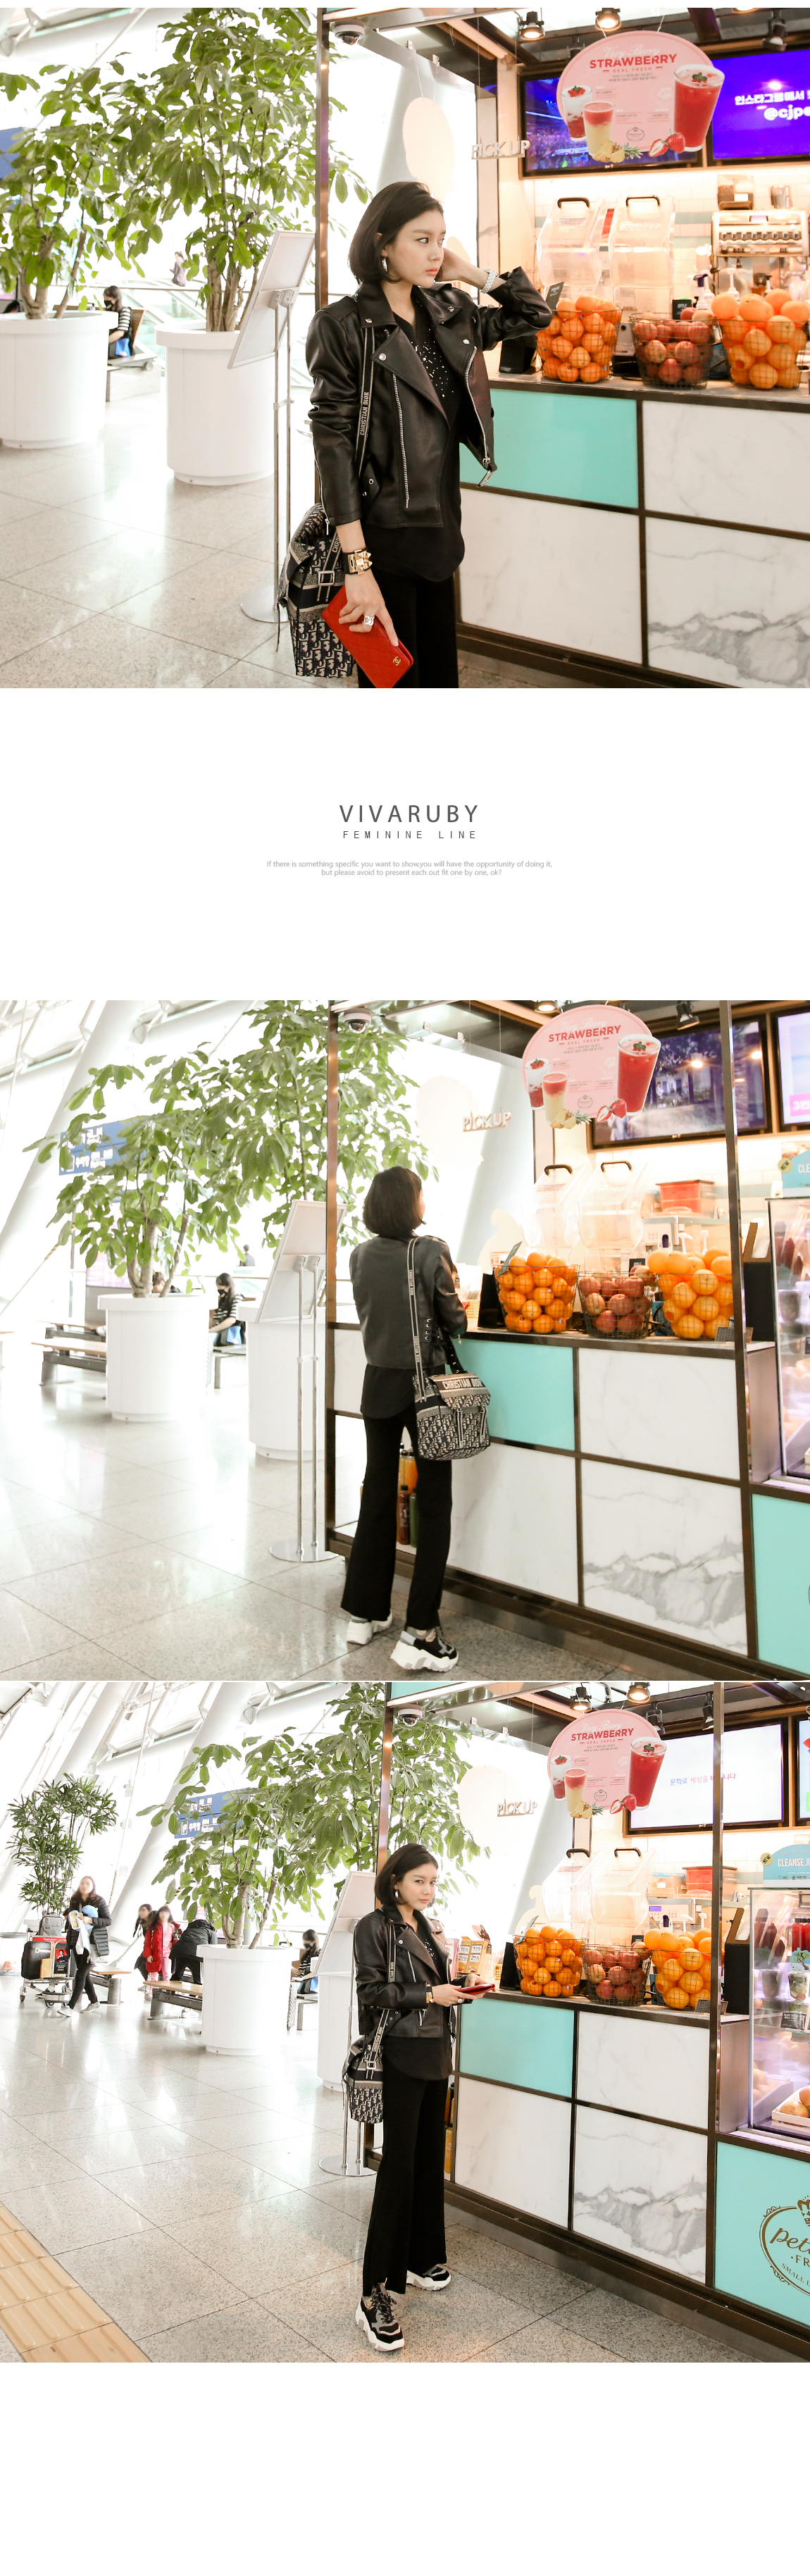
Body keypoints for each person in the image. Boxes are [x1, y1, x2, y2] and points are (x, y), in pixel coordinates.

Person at [306, 179, 547, 689]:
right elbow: (334, 450)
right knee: (395, 681)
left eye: (441, 239)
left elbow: (534, 315)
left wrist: (473, 274)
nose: (437, 252)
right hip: (383, 537)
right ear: (383, 243)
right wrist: (358, 565)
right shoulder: (342, 325)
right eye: (422, 240)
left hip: (441, 528)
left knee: (439, 677)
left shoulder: (450, 311)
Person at [340, 1164, 467, 1672]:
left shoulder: (358, 1254)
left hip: (378, 1383)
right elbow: (455, 1319)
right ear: (408, 1204)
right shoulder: (430, 1250)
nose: (423, 1202)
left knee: (376, 1493)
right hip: (426, 1387)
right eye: (419, 1194)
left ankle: (364, 1613)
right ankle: (421, 1632)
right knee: (434, 1503)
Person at [354, 1843, 475, 2354]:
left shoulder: (429, 1926)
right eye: (419, 1880)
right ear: (396, 1880)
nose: (427, 1889)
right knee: (398, 2169)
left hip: (435, 2053)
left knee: (428, 2162)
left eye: (432, 1881)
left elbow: (437, 1982)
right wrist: (429, 1995)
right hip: (401, 2055)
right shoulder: (374, 1926)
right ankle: (373, 2293)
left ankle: (421, 2258)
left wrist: (462, 1984)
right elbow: (371, 1991)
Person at [61, 1874, 110, 2014]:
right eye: (82, 1883)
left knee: (81, 1974)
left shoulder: (99, 1901)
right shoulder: (75, 1900)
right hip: (77, 1942)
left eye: (88, 1883)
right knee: (84, 1973)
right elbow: (70, 1920)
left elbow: (108, 1920)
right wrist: (68, 1935)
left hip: (92, 1944)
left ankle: (70, 2007)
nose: (84, 1886)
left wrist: (91, 1920)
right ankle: (94, 2002)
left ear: (93, 1886)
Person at [171, 1905, 216, 1986]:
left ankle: (170, 1991)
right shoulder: (210, 1931)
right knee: (198, 1980)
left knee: (177, 1976)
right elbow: (214, 1947)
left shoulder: (189, 1929)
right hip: (196, 1954)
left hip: (180, 1952)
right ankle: (195, 1994)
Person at [142, 1904, 181, 1984]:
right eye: (162, 1913)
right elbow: (147, 1942)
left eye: (166, 1913)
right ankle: (149, 1990)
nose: (164, 1915)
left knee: (167, 1973)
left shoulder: (172, 1927)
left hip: (167, 1953)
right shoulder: (153, 1927)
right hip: (155, 1953)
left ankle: (167, 1989)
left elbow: (176, 1940)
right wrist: (149, 1955)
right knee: (153, 1974)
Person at [209, 1272, 244, 1346]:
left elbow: (232, 1320)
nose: (219, 1289)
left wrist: (212, 1330)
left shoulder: (237, 1298)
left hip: (229, 1335)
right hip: (219, 1334)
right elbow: (215, 1320)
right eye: (218, 1287)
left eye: (222, 1286)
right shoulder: (221, 1301)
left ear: (229, 1286)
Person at [103, 281, 131, 359]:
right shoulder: (108, 312)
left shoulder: (125, 311)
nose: (106, 300)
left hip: (117, 347)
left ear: (116, 298)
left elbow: (120, 333)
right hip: (107, 344)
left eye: (109, 298)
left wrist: (103, 342)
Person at [133, 1900, 152, 1981]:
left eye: (143, 1910)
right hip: (148, 1948)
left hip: (156, 1948)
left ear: (150, 1911)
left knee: (143, 1965)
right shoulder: (144, 1924)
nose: (141, 1912)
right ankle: (149, 1983)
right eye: (140, 1910)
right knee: (139, 1965)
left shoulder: (155, 1923)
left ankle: (151, 1984)